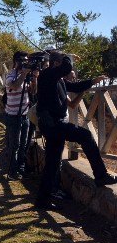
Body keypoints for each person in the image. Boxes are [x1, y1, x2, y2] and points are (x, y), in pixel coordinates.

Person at [34, 51, 116, 210]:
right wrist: (67, 55)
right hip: (52, 125)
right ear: (56, 63)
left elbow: (76, 86)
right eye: (61, 62)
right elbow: (66, 67)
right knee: (85, 135)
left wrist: (93, 81)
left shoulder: (59, 80)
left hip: (54, 125)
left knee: (52, 162)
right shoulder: (46, 75)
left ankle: (41, 201)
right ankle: (100, 176)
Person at [4, 51, 38, 181]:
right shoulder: (10, 75)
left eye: (26, 60)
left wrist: (34, 78)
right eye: (22, 60)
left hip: (25, 114)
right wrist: (23, 73)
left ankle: (21, 168)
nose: (24, 62)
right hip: (13, 116)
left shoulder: (26, 76)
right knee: (15, 145)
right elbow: (14, 85)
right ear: (15, 61)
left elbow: (33, 92)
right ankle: (13, 171)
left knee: (24, 144)